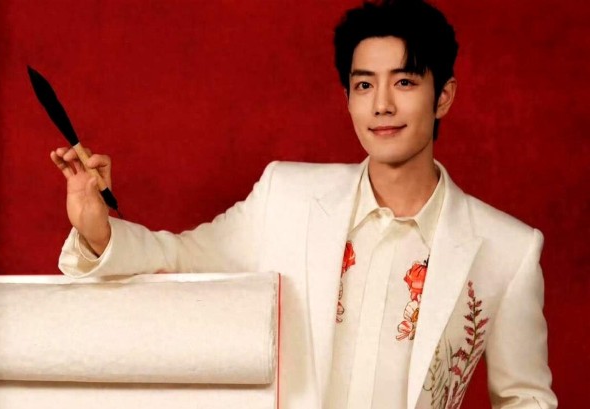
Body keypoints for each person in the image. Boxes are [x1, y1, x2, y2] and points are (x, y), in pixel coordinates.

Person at [51, 0, 557, 408]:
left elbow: (526, 398)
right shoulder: (286, 196)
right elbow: (181, 258)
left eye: (404, 82)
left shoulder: (507, 249)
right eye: (364, 85)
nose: (382, 104)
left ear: (443, 96)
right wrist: (98, 230)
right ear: (348, 97)